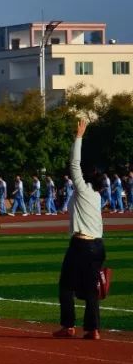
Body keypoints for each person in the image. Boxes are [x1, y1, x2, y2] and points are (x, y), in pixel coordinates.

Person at [55, 118, 107, 340]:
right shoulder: (96, 195)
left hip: (82, 245)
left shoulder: (84, 190)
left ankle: (68, 326)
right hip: (98, 246)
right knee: (91, 289)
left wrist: (79, 136)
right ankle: (93, 329)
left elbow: (74, 164)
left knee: (66, 286)